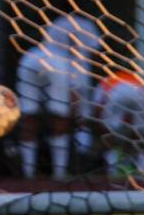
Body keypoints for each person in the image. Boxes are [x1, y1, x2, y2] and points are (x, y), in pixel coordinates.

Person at [16, 12, 101, 180]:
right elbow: (94, 52)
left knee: (29, 116)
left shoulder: (57, 22)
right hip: (59, 66)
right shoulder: (87, 26)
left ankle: (28, 173)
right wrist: (74, 91)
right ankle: (60, 172)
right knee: (62, 116)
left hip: (30, 58)